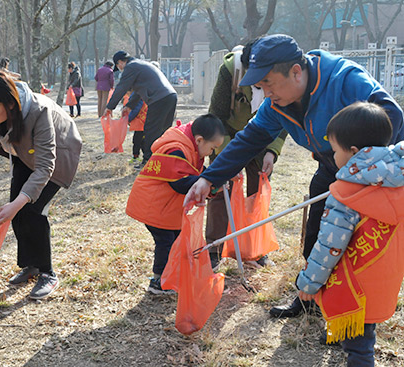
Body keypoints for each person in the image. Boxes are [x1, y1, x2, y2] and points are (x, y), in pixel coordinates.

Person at [183, 34, 404, 318]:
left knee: (355, 244)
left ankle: (348, 315)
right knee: (317, 234)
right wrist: (208, 178)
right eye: (260, 87)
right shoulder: (276, 105)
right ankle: (310, 299)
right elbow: (248, 139)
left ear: (296, 72)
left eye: (269, 84)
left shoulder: (345, 78)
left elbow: (391, 114)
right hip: (330, 164)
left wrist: (367, 166)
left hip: (370, 175)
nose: (266, 93)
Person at [0, 70, 82, 300]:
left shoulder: (38, 111)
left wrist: (19, 202)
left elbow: (45, 167)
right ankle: (30, 265)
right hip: (24, 154)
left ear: (10, 104)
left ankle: (47, 273)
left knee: (32, 210)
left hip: (56, 156)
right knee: (17, 212)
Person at [296, 102, 404, 366]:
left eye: (334, 150)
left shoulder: (347, 193)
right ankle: (338, 334)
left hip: (354, 284)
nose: (333, 157)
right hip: (385, 275)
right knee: (366, 331)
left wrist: (308, 283)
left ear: (354, 153)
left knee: (359, 350)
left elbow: (329, 247)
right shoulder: (397, 177)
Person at [206, 43, 286, 270]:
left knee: (257, 191)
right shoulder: (230, 71)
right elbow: (216, 117)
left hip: (263, 135)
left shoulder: (279, 73)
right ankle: (214, 248)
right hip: (228, 135)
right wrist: (232, 155)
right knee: (221, 190)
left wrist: (272, 150)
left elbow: (284, 114)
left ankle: (254, 249)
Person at [126, 114, 225, 294]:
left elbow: (197, 172)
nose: (212, 153)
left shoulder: (190, 146)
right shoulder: (176, 150)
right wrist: (211, 183)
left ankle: (170, 275)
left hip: (165, 207)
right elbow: (181, 182)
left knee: (176, 239)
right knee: (166, 242)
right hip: (155, 206)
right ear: (200, 140)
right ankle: (159, 281)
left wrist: (215, 177)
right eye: (212, 148)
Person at [104, 51, 177, 168]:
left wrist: (109, 107)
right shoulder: (141, 65)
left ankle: (148, 162)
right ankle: (163, 161)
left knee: (150, 131)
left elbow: (122, 87)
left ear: (120, 62)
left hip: (159, 99)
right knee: (163, 131)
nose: (120, 69)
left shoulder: (131, 67)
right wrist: (129, 106)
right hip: (170, 96)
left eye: (118, 66)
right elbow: (139, 92)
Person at [126, 92, 147, 164]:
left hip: (140, 124)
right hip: (144, 123)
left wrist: (128, 119)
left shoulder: (137, 96)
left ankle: (136, 157)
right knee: (142, 141)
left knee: (137, 141)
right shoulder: (145, 95)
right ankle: (145, 156)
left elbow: (136, 109)